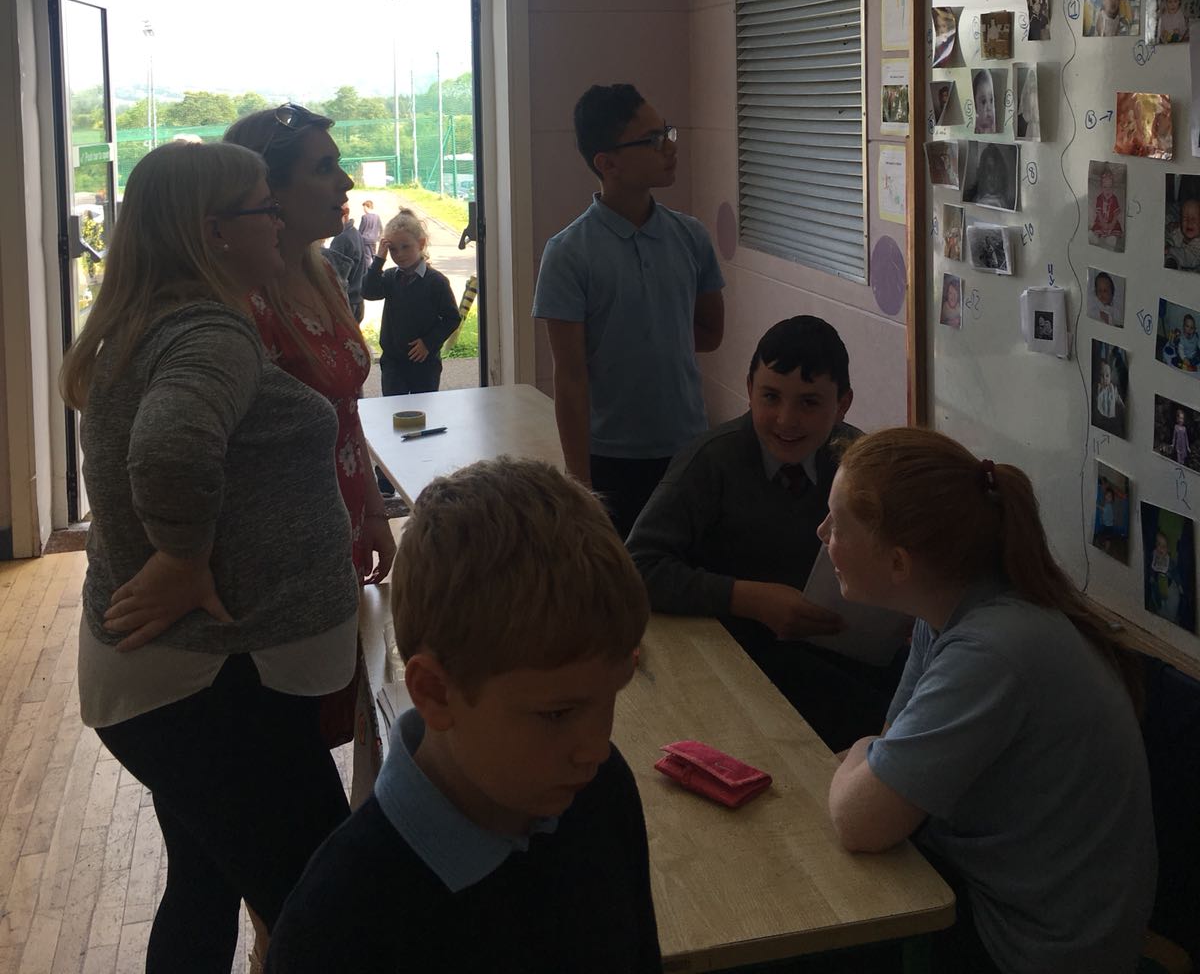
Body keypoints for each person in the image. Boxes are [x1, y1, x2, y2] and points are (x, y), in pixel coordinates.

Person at [61, 142, 359, 974]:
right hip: (215, 684)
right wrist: (181, 558)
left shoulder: (156, 322)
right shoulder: (209, 331)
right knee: (330, 916)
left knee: (203, 882)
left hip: (199, 680)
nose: (279, 222)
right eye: (265, 207)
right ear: (214, 231)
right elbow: (170, 447)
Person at [265, 460, 662, 973]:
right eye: (558, 713)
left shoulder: (602, 791)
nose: (596, 747)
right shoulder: (334, 929)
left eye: (613, 693)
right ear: (435, 693)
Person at [823, 428, 1155, 974]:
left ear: (900, 563)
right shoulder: (949, 608)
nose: (822, 534)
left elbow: (861, 819)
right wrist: (871, 759)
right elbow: (889, 755)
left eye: (838, 525)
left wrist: (861, 751)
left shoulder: (990, 651)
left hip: (1033, 949)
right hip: (995, 897)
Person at [627, 317, 903, 750]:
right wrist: (750, 599)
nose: (786, 420)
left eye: (810, 402)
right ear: (749, 388)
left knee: (903, 708)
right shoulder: (710, 462)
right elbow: (636, 568)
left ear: (843, 404)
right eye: (770, 397)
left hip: (844, 649)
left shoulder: (859, 464)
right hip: (738, 652)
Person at [533, 84, 725, 537]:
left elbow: (710, 333)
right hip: (610, 459)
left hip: (687, 449)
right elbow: (570, 378)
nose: (670, 147)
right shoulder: (567, 252)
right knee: (618, 572)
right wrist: (580, 486)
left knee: (684, 568)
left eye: (667, 132)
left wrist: (653, 337)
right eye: (653, 139)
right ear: (607, 163)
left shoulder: (691, 236)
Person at [224, 106, 394, 585]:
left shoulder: (327, 276)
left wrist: (374, 510)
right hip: (284, 544)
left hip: (345, 514)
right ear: (267, 192)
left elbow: (348, 415)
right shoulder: (242, 303)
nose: (346, 182)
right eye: (324, 168)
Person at [363, 210, 461, 396]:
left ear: (421, 244)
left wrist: (428, 342)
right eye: (393, 249)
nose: (399, 254)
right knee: (394, 408)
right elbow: (368, 292)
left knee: (424, 407)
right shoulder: (390, 278)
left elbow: (451, 318)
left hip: (425, 363)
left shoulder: (436, 281)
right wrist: (379, 260)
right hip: (393, 362)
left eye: (405, 247)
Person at [326, 200, 371, 321]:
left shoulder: (341, 239)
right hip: (358, 301)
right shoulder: (355, 232)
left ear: (345, 213)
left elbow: (333, 276)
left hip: (348, 303)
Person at [1090, 165, 1123, 247]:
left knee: (1115, 231)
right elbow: (1099, 214)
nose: (1108, 190)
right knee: (1096, 228)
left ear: (1113, 188)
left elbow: (1116, 214)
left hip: (1112, 222)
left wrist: (1111, 225)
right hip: (1101, 221)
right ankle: (1095, 237)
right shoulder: (1099, 198)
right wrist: (1103, 224)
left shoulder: (1114, 198)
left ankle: (1111, 238)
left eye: (1110, 187)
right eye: (1105, 187)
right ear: (1101, 188)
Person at [1165, 194, 1200, 270]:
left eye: (1194, 219)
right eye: (1184, 218)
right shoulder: (1179, 231)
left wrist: (1170, 250)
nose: (1189, 222)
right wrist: (1170, 227)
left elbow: (1189, 258)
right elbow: (1170, 234)